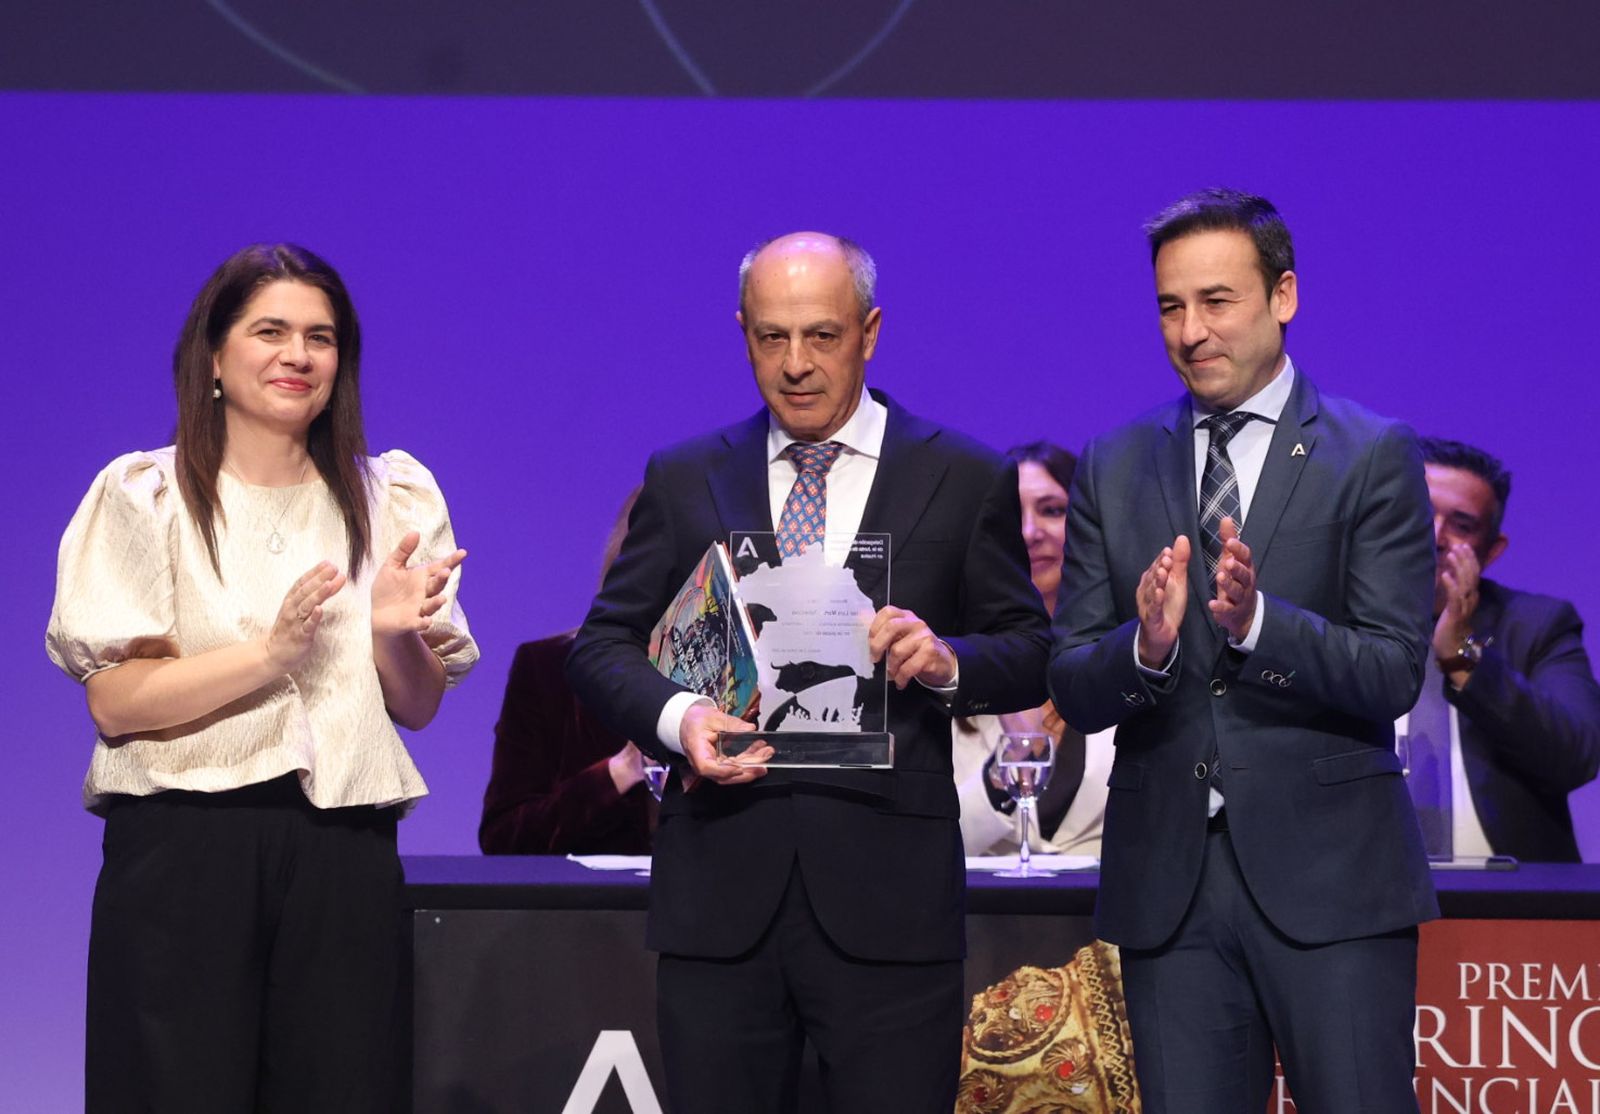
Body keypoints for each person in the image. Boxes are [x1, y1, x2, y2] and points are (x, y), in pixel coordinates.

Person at [567, 231, 1050, 1112]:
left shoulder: (962, 473)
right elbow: (600, 647)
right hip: (721, 896)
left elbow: (1028, 649)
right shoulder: (685, 477)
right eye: (770, 337)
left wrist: (946, 661)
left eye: (821, 336)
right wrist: (680, 719)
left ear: (869, 331)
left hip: (890, 906)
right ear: (743, 334)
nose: (794, 364)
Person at [46, 243, 478, 1113]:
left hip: (342, 851)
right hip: (183, 849)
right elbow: (115, 703)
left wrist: (395, 632)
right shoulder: (146, 494)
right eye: (270, 330)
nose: (298, 355)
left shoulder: (391, 496)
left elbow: (419, 706)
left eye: (320, 337)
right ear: (213, 354)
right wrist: (269, 656)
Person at [1048, 189, 1438, 1111]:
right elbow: (1069, 673)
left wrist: (1259, 626)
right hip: (1169, 891)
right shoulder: (1113, 460)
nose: (1190, 331)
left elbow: (1391, 670)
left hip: (1331, 887)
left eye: (1216, 301)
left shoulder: (1371, 452)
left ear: (1284, 296)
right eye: (1170, 307)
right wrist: (1142, 650)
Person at [1405, 437, 1600, 861]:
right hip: (1356, 903)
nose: (1435, 536)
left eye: (1462, 524)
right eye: (1419, 509)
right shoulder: (1332, 616)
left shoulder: (1537, 625)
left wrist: (1463, 655)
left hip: (1506, 905)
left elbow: (1576, 758)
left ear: (1491, 551)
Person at [954, 441, 1113, 858]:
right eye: (1012, 513)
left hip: (1104, 915)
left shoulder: (1127, 654)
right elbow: (929, 842)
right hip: (981, 913)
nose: (1028, 532)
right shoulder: (950, 659)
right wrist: (1015, 758)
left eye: (1052, 510)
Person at [480, 487, 657, 854]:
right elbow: (504, 837)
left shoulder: (754, 681)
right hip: (597, 908)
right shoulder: (548, 669)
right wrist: (620, 772)